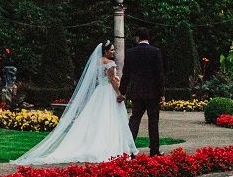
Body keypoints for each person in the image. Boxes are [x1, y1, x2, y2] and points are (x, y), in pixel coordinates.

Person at [12, 41, 137, 165]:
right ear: (105, 51)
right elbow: (112, 81)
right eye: (112, 50)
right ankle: (107, 145)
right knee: (109, 118)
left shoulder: (98, 62)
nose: (113, 52)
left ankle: (92, 143)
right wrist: (119, 94)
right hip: (108, 92)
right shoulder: (110, 63)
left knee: (97, 118)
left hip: (100, 92)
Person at [118, 27, 164, 156]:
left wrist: (122, 91)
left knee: (134, 120)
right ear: (148, 38)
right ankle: (154, 150)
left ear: (137, 38)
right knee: (153, 122)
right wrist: (162, 94)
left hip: (137, 92)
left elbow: (126, 74)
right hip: (153, 93)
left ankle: (130, 150)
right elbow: (159, 75)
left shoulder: (131, 52)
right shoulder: (155, 51)